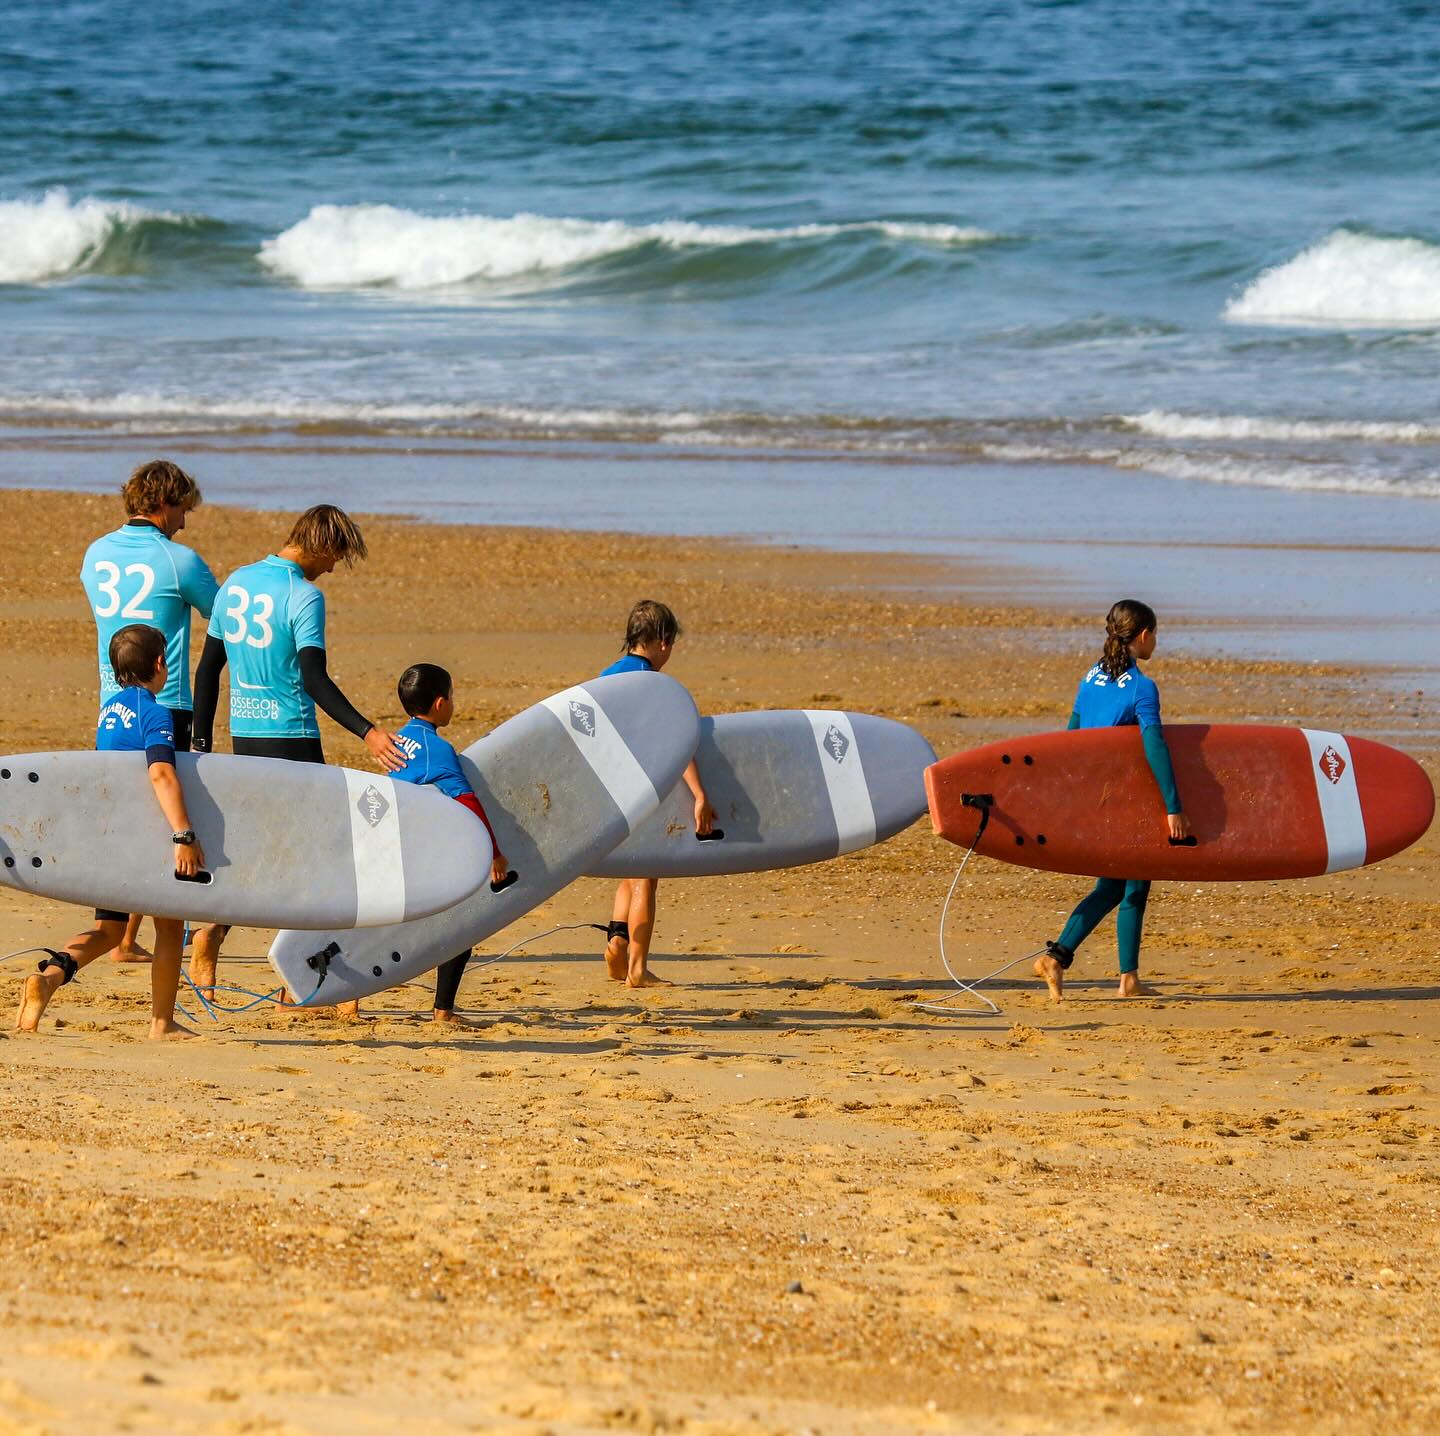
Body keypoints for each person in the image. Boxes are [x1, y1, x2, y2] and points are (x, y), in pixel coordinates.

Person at [189, 505, 405, 1011]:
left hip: (246, 738)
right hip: (293, 736)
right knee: (320, 858)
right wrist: (367, 732)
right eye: (336, 558)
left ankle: (213, 934)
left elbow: (207, 672)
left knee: (264, 850)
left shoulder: (236, 583)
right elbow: (313, 680)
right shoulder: (304, 596)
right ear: (323, 545)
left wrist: (201, 746)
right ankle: (313, 981)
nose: (333, 569)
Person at [15, 625, 203, 1039]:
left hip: (107, 836)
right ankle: (161, 1023)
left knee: (108, 931)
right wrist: (183, 836)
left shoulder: (109, 710)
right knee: (170, 927)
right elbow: (161, 774)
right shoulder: (156, 713)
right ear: (159, 664)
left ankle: (47, 979)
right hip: (144, 839)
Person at [80, 459, 219, 962]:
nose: (184, 519)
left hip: (111, 703)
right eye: (182, 507)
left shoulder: (94, 554)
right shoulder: (179, 560)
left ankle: (122, 935)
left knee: (128, 809)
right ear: (163, 502)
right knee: (163, 812)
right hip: (167, 702)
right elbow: (222, 615)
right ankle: (151, 927)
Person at [1034, 599, 1193, 1001]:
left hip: (1093, 799)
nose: (1156, 641)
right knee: (1133, 880)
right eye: (1155, 634)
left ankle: (1070, 961)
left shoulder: (1090, 678)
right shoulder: (1142, 687)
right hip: (1124, 801)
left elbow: (1070, 737)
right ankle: (1119, 977)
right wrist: (1173, 806)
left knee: (1116, 883)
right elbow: (1155, 745)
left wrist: (1066, 793)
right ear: (1143, 636)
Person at [598, 600, 714, 989]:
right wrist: (699, 794)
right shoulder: (656, 685)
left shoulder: (606, 677)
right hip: (642, 789)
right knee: (647, 875)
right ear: (663, 641)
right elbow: (676, 745)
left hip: (609, 790)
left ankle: (616, 945)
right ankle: (637, 968)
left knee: (627, 872)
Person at [390, 663, 509, 1024]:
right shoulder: (437, 748)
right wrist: (495, 852)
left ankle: (351, 1002)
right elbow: (469, 802)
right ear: (441, 703)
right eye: (452, 697)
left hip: (397, 847)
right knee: (463, 923)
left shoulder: (398, 740)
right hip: (426, 854)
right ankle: (443, 1010)